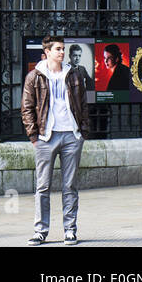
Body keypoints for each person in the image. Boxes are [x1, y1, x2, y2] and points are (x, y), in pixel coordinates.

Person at [22, 34, 90, 246]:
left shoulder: (74, 75)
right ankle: (40, 231)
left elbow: (83, 105)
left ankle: (70, 230)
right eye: (58, 49)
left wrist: (82, 133)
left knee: (70, 185)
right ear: (47, 52)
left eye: (63, 49)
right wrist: (34, 136)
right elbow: (26, 108)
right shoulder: (35, 76)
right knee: (43, 187)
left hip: (71, 135)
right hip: (46, 137)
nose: (62, 52)